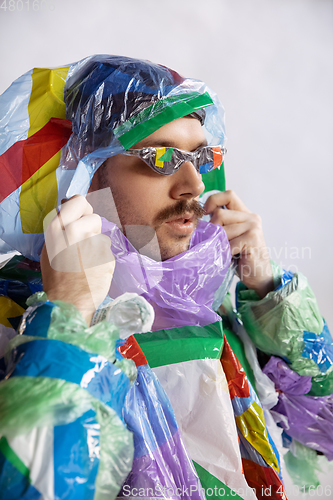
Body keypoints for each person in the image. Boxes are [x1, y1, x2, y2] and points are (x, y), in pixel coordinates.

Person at [0, 55, 332, 500]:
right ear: (75, 177)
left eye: (200, 155)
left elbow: (323, 430)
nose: (195, 183)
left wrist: (271, 294)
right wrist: (70, 316)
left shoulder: (206, 307)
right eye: (160, 157)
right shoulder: (15, 327)